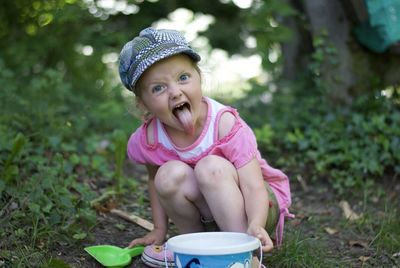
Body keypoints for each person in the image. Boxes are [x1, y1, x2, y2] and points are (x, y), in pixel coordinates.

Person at [118, 27, 293, 267]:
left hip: (255, 206)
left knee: (211, 166)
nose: (175, 92)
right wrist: (159, 229)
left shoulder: (225, 124)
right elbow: (154, 182)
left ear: (199, 77)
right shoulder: (150, 138)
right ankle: (194, 246)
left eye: (183, 78)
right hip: (205, 210)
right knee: (166, 175)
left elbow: (253, 186)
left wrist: (256, 225)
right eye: (158, 88)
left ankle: (244, 255)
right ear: (143, 103)